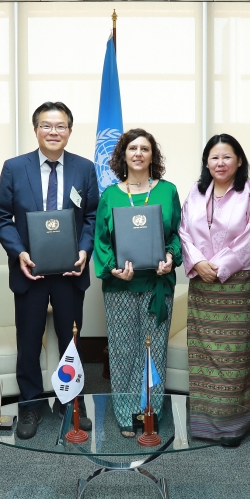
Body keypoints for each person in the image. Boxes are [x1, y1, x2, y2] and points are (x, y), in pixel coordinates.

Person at [0, 102, 99, 440]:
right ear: (35, 129)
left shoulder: (84, 168)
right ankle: (30, 405)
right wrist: (20, 252)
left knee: (71, 340)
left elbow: (93, 216)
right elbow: (1, 218)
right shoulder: (14, 167)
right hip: (30, 272)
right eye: (47, 126)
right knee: (28, 341)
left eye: (61, 126)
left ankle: (72, 403)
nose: (54, 132)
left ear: (70, 130)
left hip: (70, 272)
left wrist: (84, 250)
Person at [177, 134, 250, 444]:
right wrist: (199, 262)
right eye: (214, 157)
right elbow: (183, 232)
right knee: (204, 356)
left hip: (238, 287)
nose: (220, 163)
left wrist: (222, 265)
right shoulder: (196, 192)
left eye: (227, 157)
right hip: (202, 287)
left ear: (239, 160)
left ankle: (233, 427)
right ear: (206, 162)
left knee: (235, 359)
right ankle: (203, 426)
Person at [93, 128, 181, 437]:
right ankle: (124, 410)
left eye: (145, 148)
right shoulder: (111, 194)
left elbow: (175, 236)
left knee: (153, 349)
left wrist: (171, 256)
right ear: (123, 155)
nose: (139, 153)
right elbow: (101, 242)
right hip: (120, 286)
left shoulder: (167, 191)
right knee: (122, 350)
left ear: (152, 155)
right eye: (133, 148)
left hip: (157, 285)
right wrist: (112, 269)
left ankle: (150, 410)